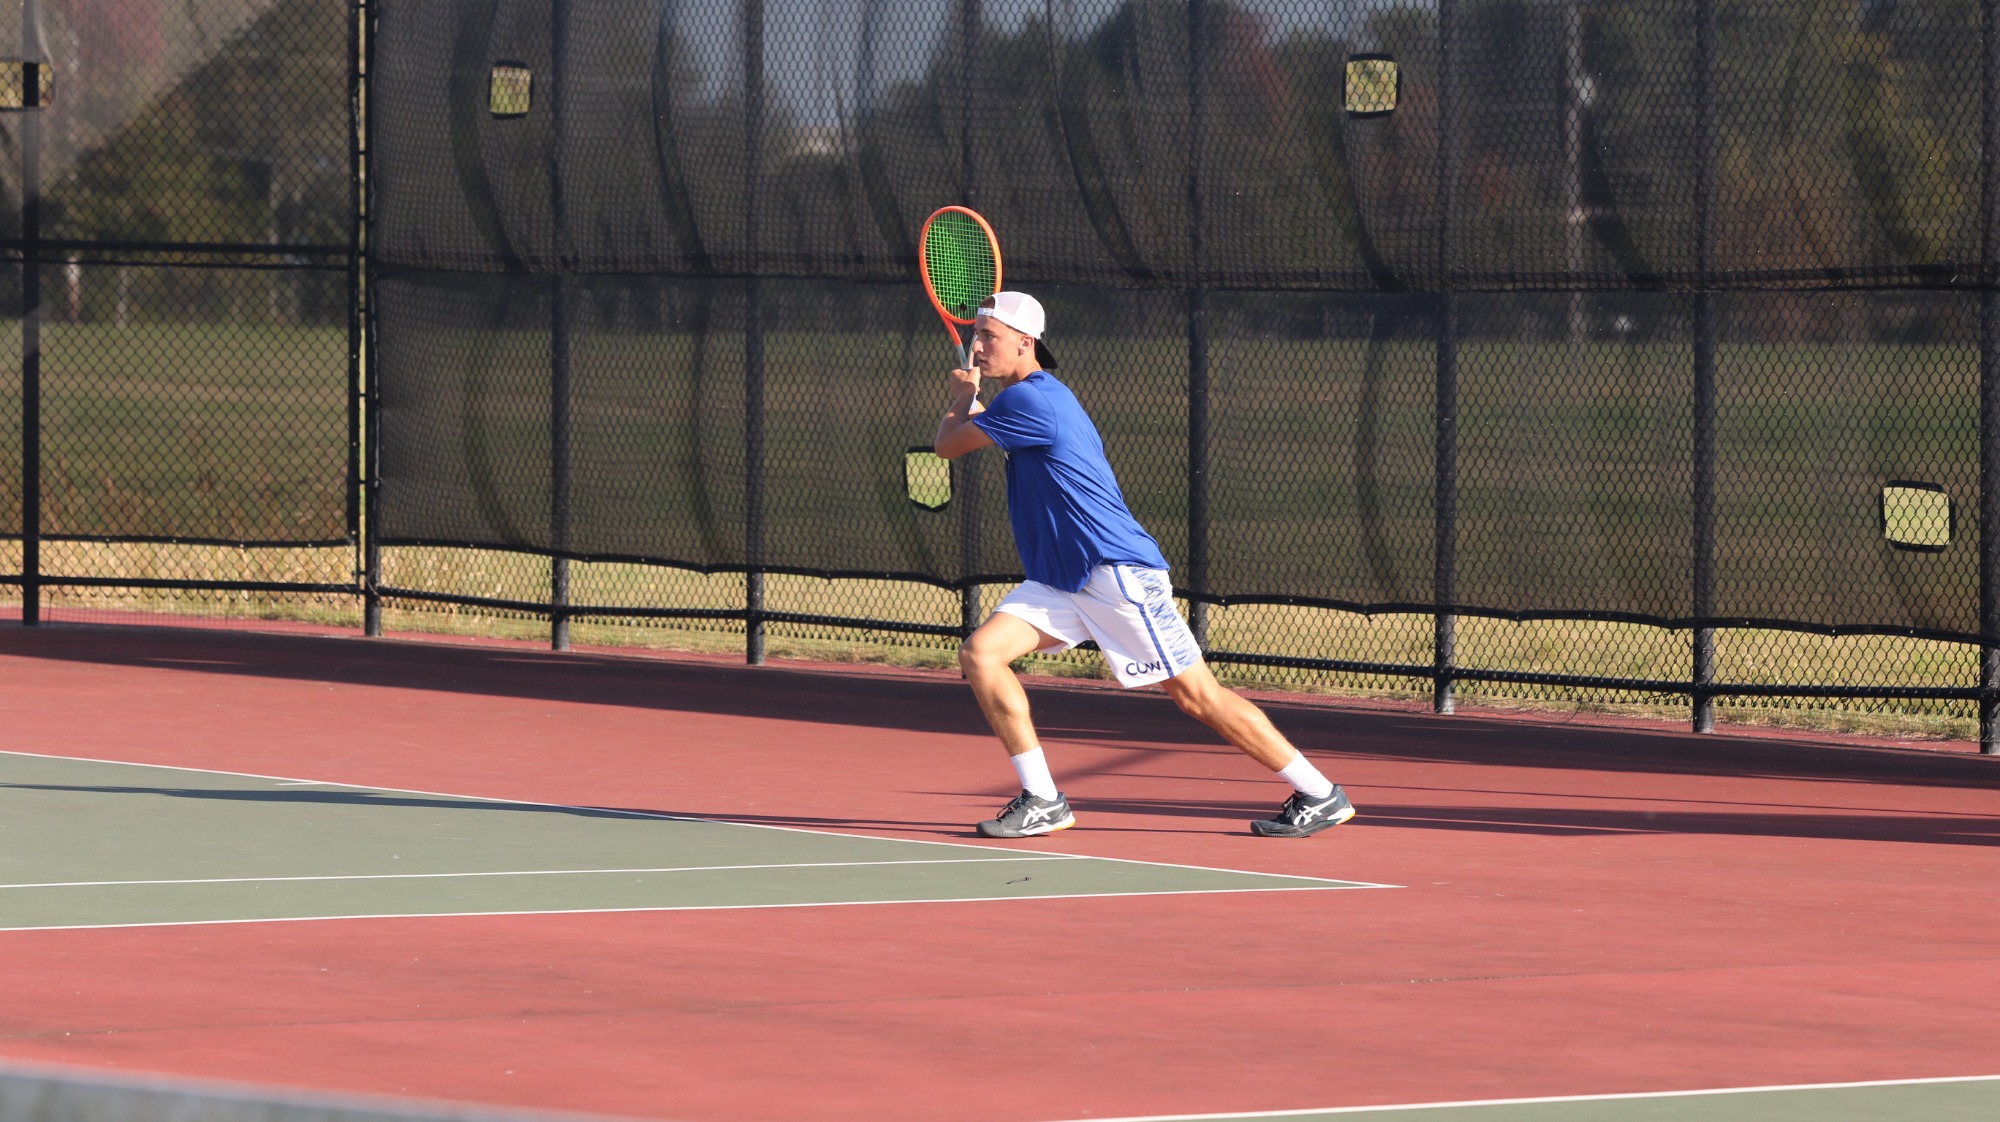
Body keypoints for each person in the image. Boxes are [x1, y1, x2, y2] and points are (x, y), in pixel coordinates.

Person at [933, 291, 1357, 839]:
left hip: (1115, 573)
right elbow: (978, 435)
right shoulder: (1028, 402)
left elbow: (947, 446)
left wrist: (958, 397)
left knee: (1196, 695)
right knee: (981, 655)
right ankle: (1042, 799)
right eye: (978, 334)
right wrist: (972, 403)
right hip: (1064, 577)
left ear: (1025, 342)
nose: (979, 345)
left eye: (990, 336)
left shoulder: (1031, 401)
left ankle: (1319, 792)